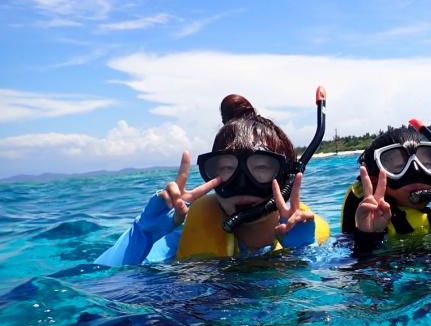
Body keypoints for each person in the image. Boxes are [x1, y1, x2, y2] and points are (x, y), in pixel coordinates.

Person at [95, 94, 329, 266]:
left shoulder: (308, 236)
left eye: (261, 167)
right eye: (227, 168)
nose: (241, 183)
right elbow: (96, 284)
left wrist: (302, 255)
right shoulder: (177, 239)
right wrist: (143, 232)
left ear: (286, 176)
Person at [341, 125, 431, 250]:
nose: (416, 172)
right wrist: (367, 238)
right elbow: (352, 266)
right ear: (374, 181)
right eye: (398, 166)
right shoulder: (372, 226)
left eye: (427, 164)